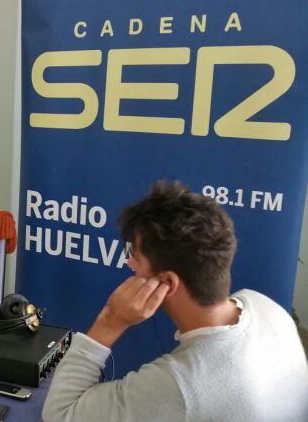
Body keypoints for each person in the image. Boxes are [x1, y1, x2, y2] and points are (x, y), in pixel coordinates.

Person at [42, 181, 308, 422]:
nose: (129, 263)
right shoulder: (264, 306)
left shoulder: (179, 386)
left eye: (135, 256)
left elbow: (60, 413)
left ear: (168, 283)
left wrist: (109, 321)